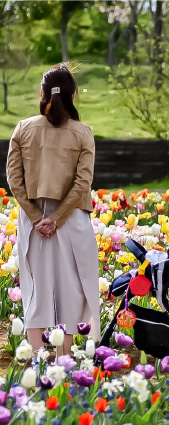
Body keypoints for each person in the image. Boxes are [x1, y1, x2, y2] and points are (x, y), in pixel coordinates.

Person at [6, 64, 100, 357]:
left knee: (36, 286)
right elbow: (83, 182)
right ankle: (65, 355)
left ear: (42, 93)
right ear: (73, 94)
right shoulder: (83, 133)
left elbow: (14, 179)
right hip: (71, 219)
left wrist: (37, 217)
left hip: (32, 220)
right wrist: (56, 219)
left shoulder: (23, 128)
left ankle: (37, 356)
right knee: (73, 287)